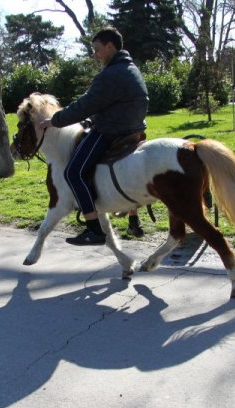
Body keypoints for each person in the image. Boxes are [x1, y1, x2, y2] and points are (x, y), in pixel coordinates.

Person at [40, 27, 149, 245]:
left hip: (111, 132)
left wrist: (54, 121)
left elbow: (85, 105)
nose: (95, 55)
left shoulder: (110, 74)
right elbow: (109, 105)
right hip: (133, 129)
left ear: (110, 47)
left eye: (97, 49)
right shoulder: (130, 68)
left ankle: (93, 229)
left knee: (73, 172)